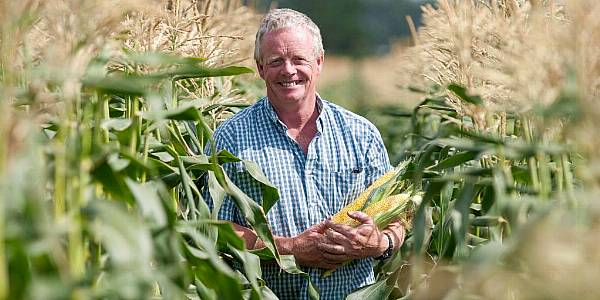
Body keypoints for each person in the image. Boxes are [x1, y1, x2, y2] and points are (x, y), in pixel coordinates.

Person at [204, 8, 405, 300]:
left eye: (299, 59)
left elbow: (398, 214)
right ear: (260, 68)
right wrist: (290, 249)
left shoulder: (362, 134)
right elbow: (214, 228)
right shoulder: (231, 138)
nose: (288, 70)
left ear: (319, 62)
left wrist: (380, 244)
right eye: (276, 61)